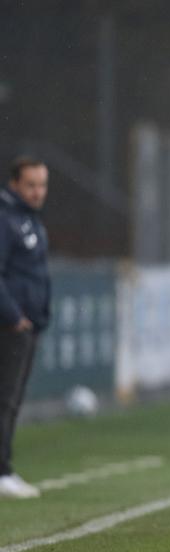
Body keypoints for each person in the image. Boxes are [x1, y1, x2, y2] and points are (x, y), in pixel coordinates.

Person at [0, 157, 50, 500]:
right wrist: (12, 315)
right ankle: (2, 471)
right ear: (15, 184)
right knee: (5, 400)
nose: (37, 192)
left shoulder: (29, 220)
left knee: (12, 401)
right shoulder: (6, 219)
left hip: (27, 325)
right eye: (31, 185)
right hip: (9, 326)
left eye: (42, 185)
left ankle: (4, 467)